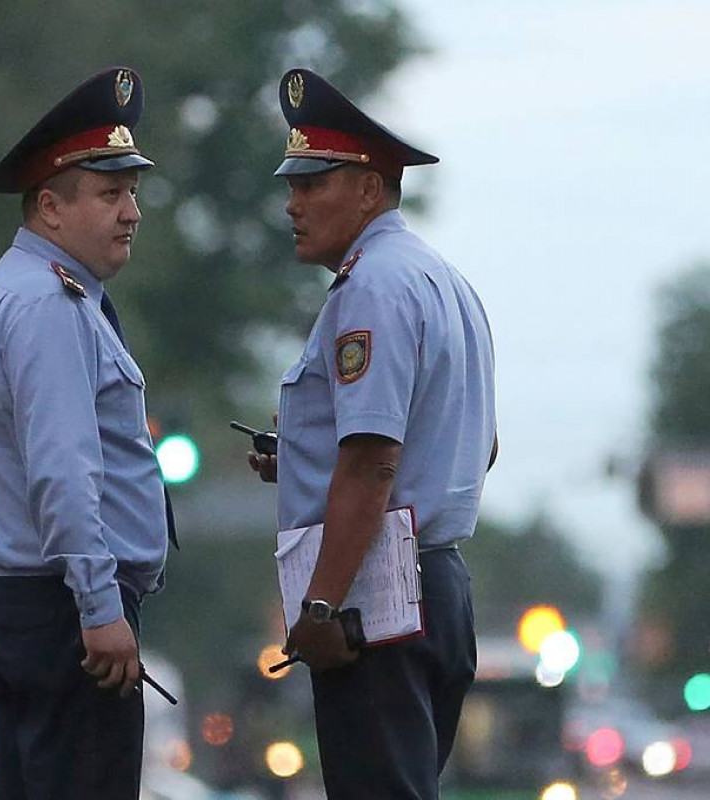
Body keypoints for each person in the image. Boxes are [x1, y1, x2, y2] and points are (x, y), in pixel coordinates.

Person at [247, 68, 497, 798]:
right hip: (438, 582)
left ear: (367, 186)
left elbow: (371, 463)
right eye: (291, 185)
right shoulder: (443, 279)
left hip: (380, 594)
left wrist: (321, 607)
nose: (292, 204)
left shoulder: (373, 287)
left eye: (311, 183)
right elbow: (475, 445)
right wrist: (298, 458)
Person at [0, 66, 174, 800]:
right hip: (61, 611)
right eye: (110, 193)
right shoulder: (49, 306)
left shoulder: (21, 294)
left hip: (23, 602)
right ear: (49, 207)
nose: (132, 212)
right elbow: (62, 468)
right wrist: (100, 605)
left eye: (133, 192)